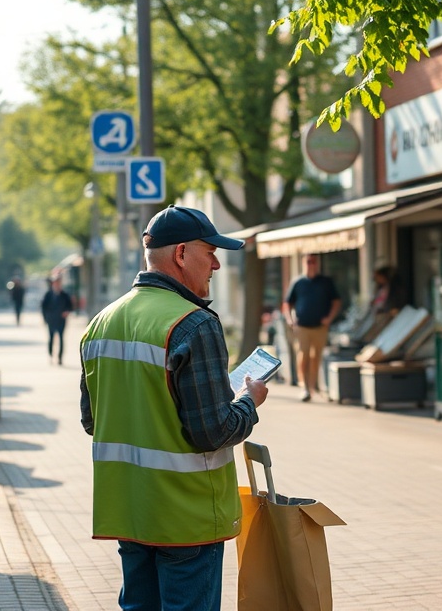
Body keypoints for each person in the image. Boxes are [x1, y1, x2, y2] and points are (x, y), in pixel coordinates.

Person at [79, 205, 268, 611]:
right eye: (210, 251)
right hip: (187, 518)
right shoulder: (195, 324)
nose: (216, 263)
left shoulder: (100, 323)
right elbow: (212, 431)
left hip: (128, 511)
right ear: (181, 254)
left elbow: (92, 420)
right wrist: (250, 402)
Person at [282, 253, 342, 401]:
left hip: (320, 326)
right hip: (302, 325)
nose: (311, 265)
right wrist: (290, 319)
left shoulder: (325, 282)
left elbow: (336, 302)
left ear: (318, 264)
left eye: (314, 262)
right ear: (304, 263)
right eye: (308, 262)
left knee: (317, 356)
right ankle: (305, 387)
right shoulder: (298, 282)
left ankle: (315, 387)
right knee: (303, 356)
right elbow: (287, 303)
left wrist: (329, 318)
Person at [41, 276, 73, 364]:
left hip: (61, 320)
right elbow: (43, 307)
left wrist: (67, 312)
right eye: (56, 283)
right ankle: (51, 355)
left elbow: (70, 306)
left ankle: (60, 358)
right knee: (51, 338)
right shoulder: (48, 295)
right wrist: (45, 318)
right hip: (51, 320)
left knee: (61, 338)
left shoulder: (64, 295)